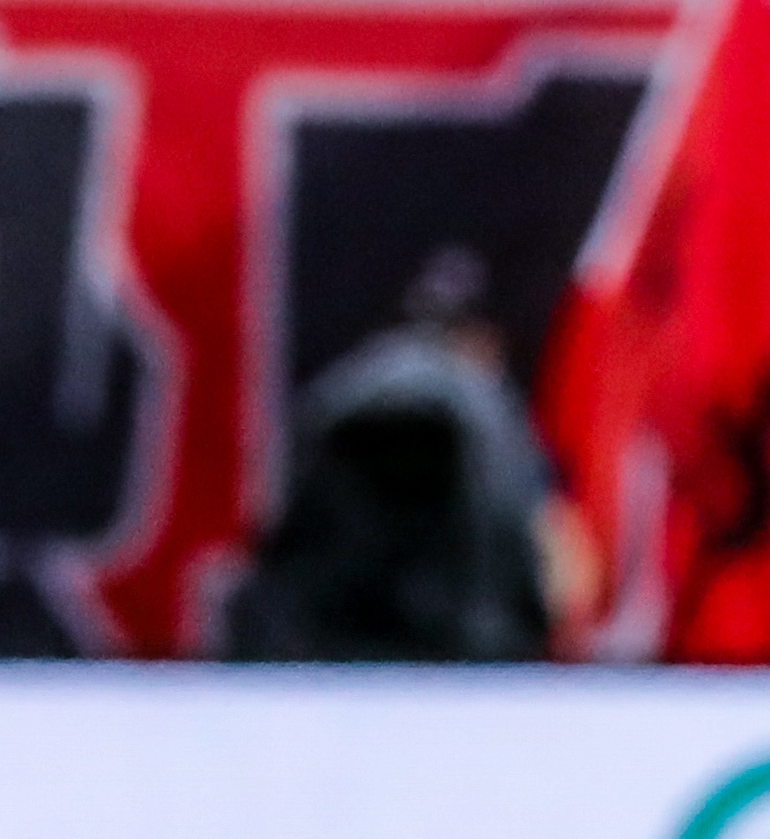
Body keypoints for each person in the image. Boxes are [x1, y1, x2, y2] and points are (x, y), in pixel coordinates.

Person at [225, 249, 568, 663]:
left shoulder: (345, 389)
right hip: (452, 653)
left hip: (333, 651)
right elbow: (552, 578)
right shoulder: (488, 410)